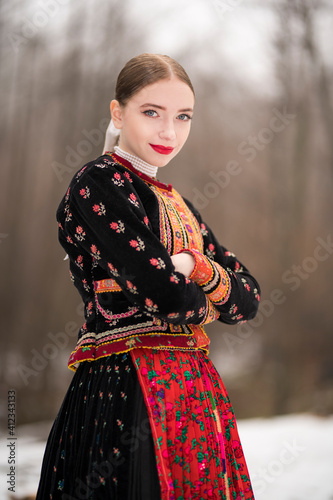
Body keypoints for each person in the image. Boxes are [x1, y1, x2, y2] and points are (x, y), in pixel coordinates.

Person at [36, 53, 260, 500]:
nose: (168, 132)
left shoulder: (177, 202)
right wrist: (198, 294)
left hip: (194, 390)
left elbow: (249, 299)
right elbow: (166, 295)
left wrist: (194, 267)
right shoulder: (96, 184)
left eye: (183, 117)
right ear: (118, 113)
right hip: (126, 389)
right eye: (151, 112)